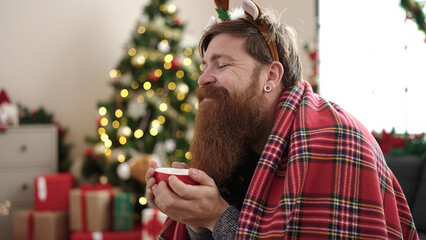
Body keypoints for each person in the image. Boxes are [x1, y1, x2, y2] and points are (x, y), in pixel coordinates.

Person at [145, 0, 419, 239]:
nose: (203, 78)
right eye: (205, 65)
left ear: (271, 76)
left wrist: (216, 217)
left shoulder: (333, 139)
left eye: (222, 64)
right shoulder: (234, 140)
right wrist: (196, 220)